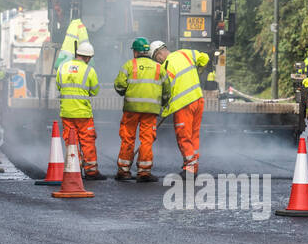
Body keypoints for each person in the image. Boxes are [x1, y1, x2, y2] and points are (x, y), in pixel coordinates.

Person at [151, 40, 209, 176]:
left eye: (156, 59)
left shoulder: (166, 67)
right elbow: (205, 58)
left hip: (184, 106)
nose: (158, 62)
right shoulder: (186, 53)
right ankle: (192, 168)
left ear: (158, 55)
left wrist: (163, 111)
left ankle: (189, 170)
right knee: (194, 135)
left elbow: (167, 92)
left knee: (184, 137)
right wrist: (198, 71)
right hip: (198, 100)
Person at [113, 37, 165, 182]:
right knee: (147, 139)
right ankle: (144, 172)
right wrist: (164, 102)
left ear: (135, 52)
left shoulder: (129, 65)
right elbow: (167, 90)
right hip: (151, 110)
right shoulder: (159, 67)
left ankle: (123, 171)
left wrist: (124, 92)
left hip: (131, 109)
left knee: (127, 138)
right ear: (147, 52)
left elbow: (119, 86)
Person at [55, 39, 105, 180]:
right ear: (88, 57)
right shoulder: (89, 70)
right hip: (83, 113)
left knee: (71, 142)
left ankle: (74, 170)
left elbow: (59, 86)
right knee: (87, 142)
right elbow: (95, 91)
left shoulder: (62, 67)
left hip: (66, 112)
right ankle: (91, 172)